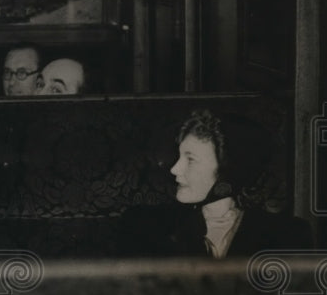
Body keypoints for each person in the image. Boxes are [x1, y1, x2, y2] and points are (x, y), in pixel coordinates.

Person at [119, 109, 311, 257]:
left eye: (190, 159)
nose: (175, 169)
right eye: (179, 156)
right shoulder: (144, 227)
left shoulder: (288, 236)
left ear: (229, 170)